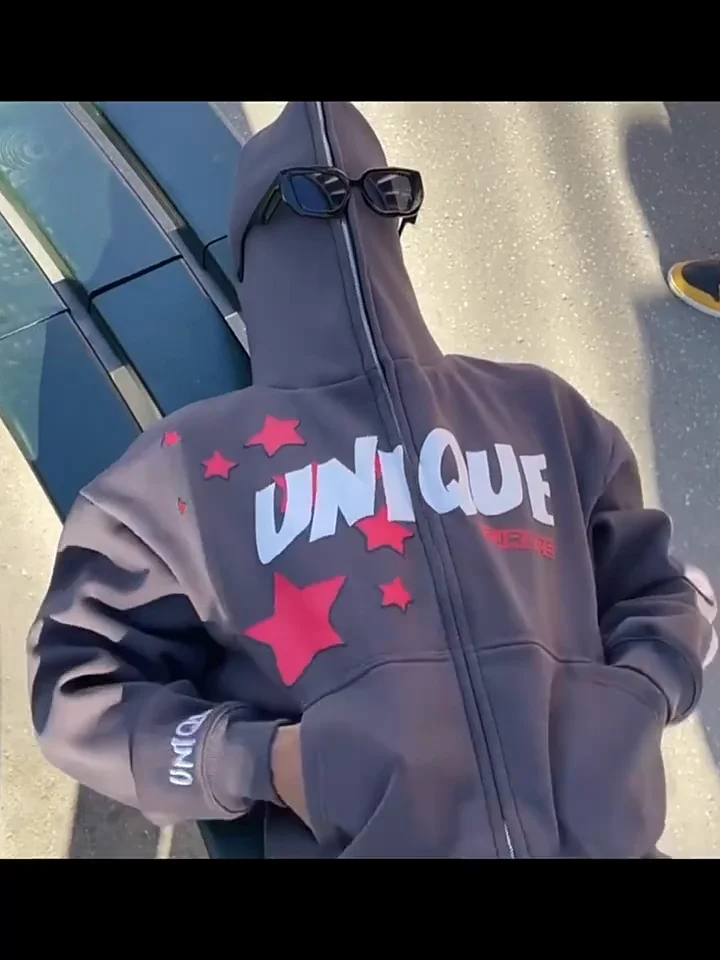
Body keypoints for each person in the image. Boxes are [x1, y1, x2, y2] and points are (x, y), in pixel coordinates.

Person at [28, 101, 716, 859]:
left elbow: (661, 589)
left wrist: (641, 692)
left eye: (379, 194)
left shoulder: (542, 411)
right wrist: (264, 762)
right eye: (313, 196)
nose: (348, 214)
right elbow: (80, 690)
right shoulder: (182, 473)